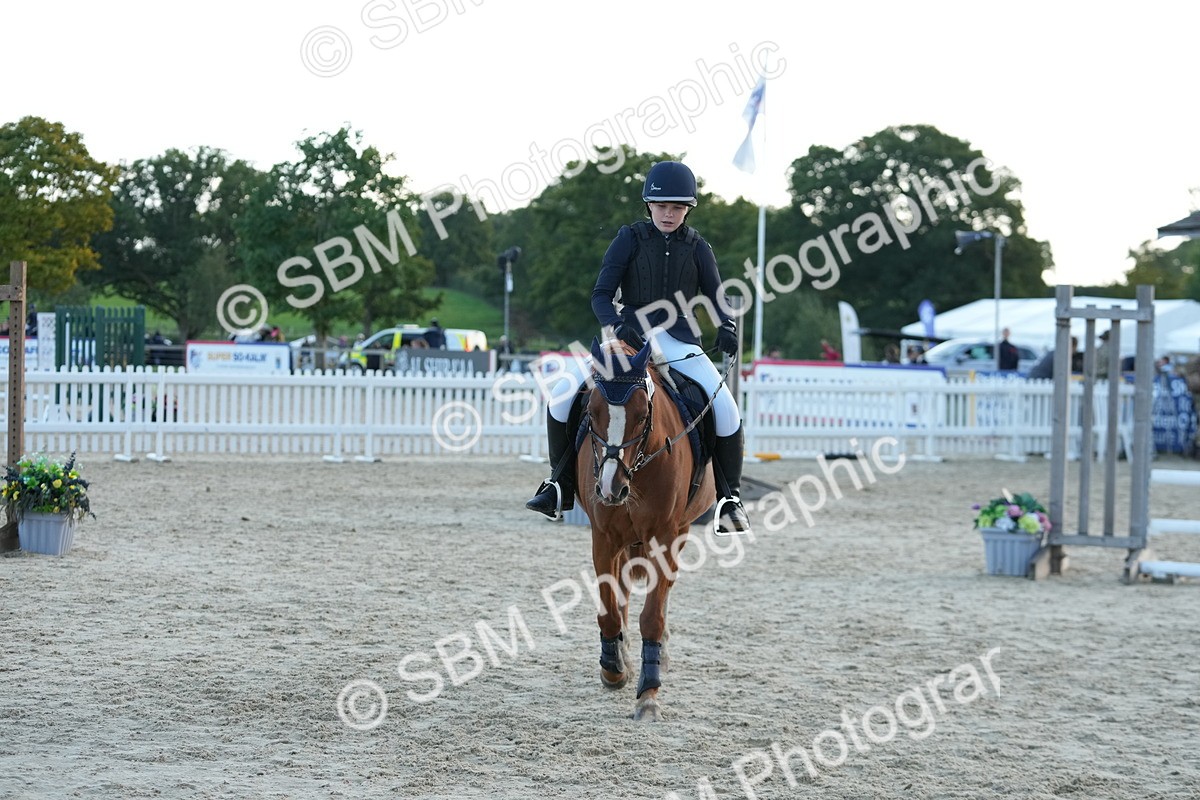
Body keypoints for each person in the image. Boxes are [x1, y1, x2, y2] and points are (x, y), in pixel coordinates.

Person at [525, 160, 751, 534]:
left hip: (679, 341)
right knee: (562, 396)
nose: (669, 213)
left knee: (726, 408)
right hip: (628, 338)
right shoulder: (628, 238)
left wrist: (726, 325)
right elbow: (600, 294)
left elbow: (716, 296)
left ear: (687, 210)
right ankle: (558, 485)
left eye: (677, 208)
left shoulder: (698, 247)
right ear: (649, 205)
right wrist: (615, 324)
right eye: (662, 206)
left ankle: (730, 498)